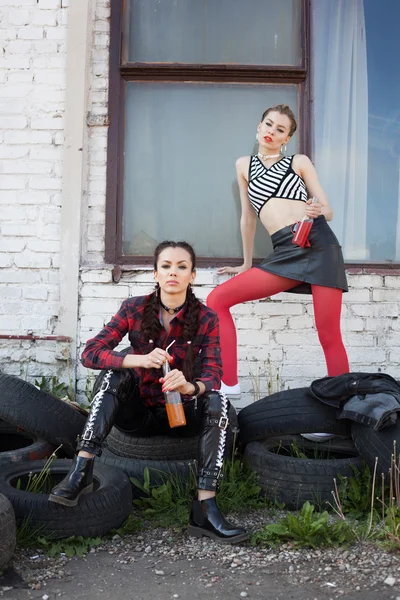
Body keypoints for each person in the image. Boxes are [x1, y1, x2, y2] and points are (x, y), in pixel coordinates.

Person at [49, 240, 248, 544]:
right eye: (166, 266)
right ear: (155, 273)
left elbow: (215, 375)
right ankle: (82, 469)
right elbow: (90, 353)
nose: (173, 273)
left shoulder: (207, 318)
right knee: (114, 374)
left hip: (182, 415)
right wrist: (135, 359)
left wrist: (189, 385)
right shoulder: (133, 308)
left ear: (192, 276)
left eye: (182, 267)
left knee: (217, 399)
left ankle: (205, 507)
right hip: (139, 415)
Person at [207, 104, 349, 417]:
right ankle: (228, 384)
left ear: (286, 138)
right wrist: (246, 264)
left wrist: (316, 210)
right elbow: (248, 218)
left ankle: (342, 412)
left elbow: (328, 209)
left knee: (328, 333)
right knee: (218, 299)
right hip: (285, 251)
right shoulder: (244, 165)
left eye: (280, 129)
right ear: (259, 127)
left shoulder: (298, 161)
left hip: (319, 245)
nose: (272, 131)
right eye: (268, 124)